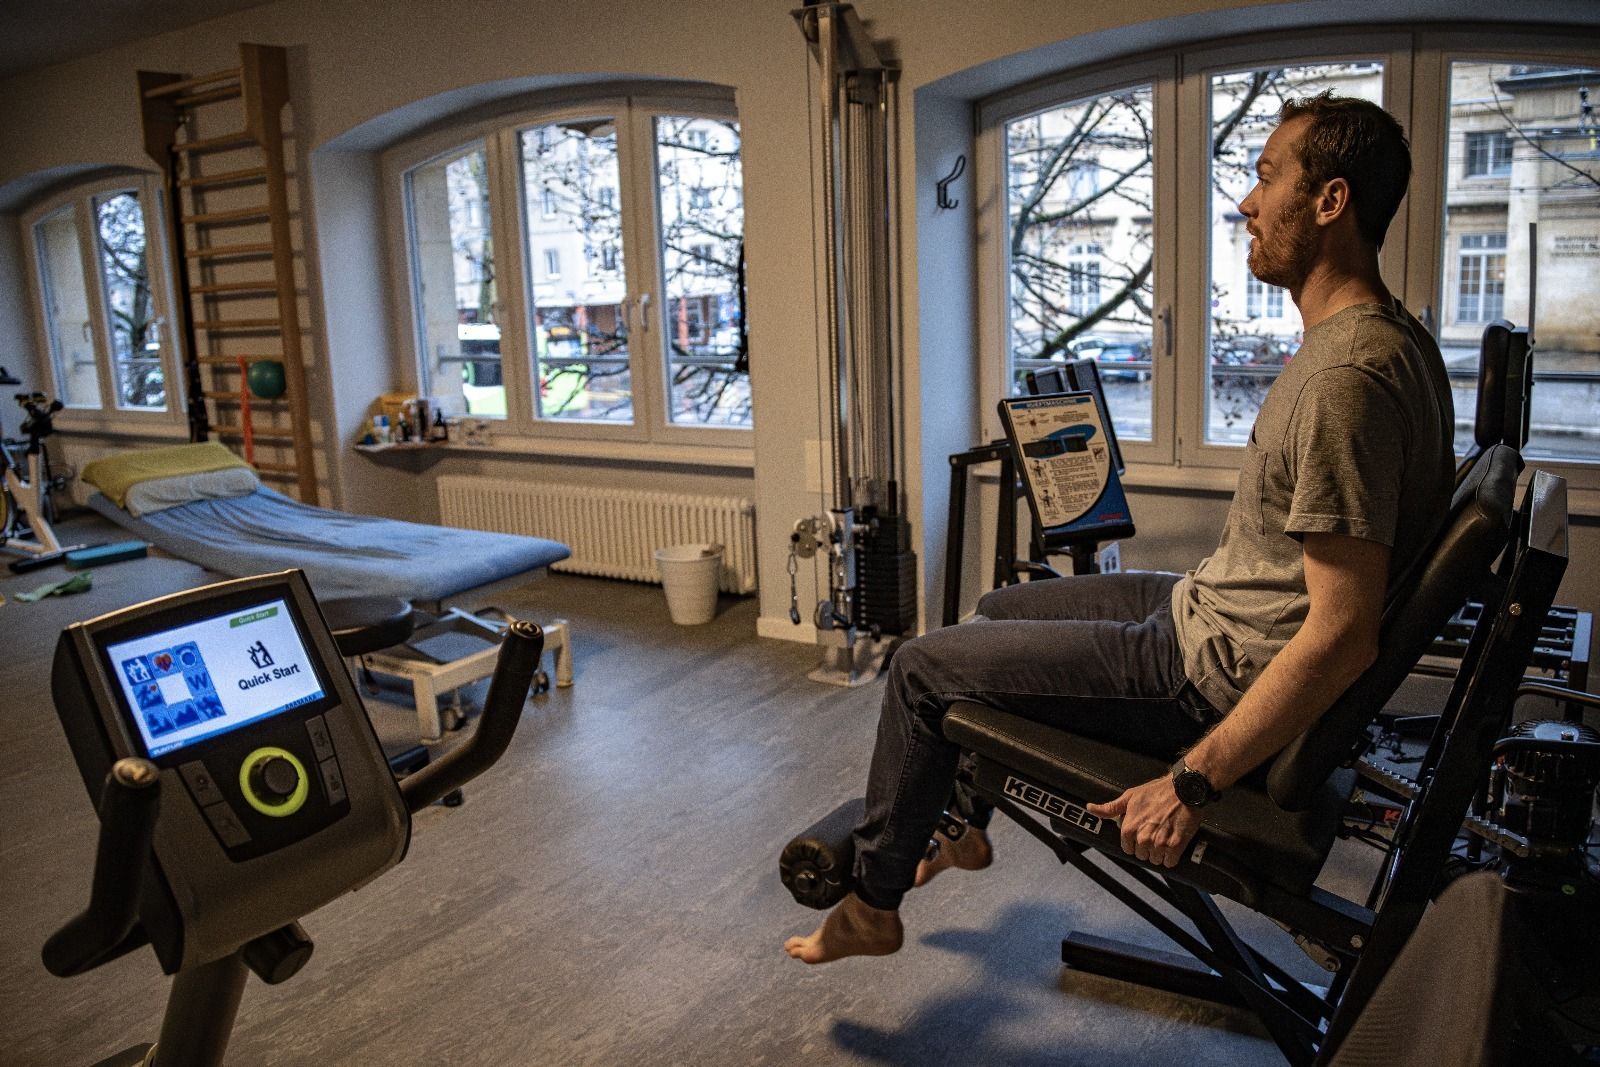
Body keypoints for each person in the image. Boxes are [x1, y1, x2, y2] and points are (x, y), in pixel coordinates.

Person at [785, 91, 1455, 964]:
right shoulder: (1395, 340)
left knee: (919, 668)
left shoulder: (1345, 381)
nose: (1247, 204)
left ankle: (873, 903)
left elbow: (1340, 634)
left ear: (1331, 202)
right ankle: (961, 822)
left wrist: (1192, 781)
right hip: (1211, 611)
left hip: (1207, 673)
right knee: (998, 607)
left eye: (1265, 179)